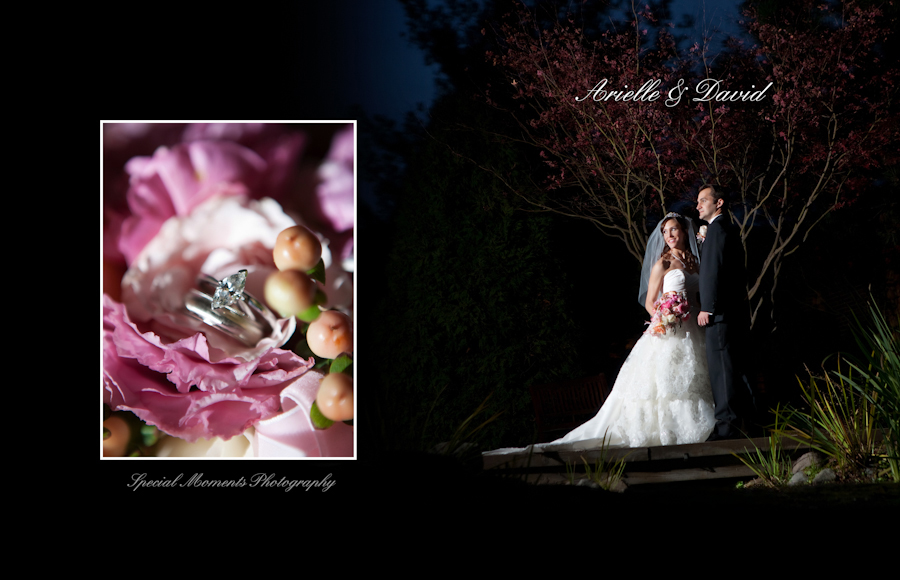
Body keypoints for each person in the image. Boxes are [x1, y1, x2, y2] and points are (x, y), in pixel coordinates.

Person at [485, 213, 716, 455]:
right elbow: (650, 302)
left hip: (695, 329)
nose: (669, 236)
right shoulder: (663, 264)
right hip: (670, 328)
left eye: (674, 230)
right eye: (665, 231)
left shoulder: (694, 262)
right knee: (665, 384)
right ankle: (666, 432)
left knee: (693, 379)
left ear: (685, 232)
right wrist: (665, 318)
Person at [696, 184, 756, 440]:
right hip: (733, 311)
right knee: (736, 367)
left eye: (702, 200)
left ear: (718, 203)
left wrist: (707, 307)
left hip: (718, 313)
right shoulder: (727, 230)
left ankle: (726, 425)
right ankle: (750, 421)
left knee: (721, 368)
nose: (697, 206)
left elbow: (712, 272)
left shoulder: (717, 230)